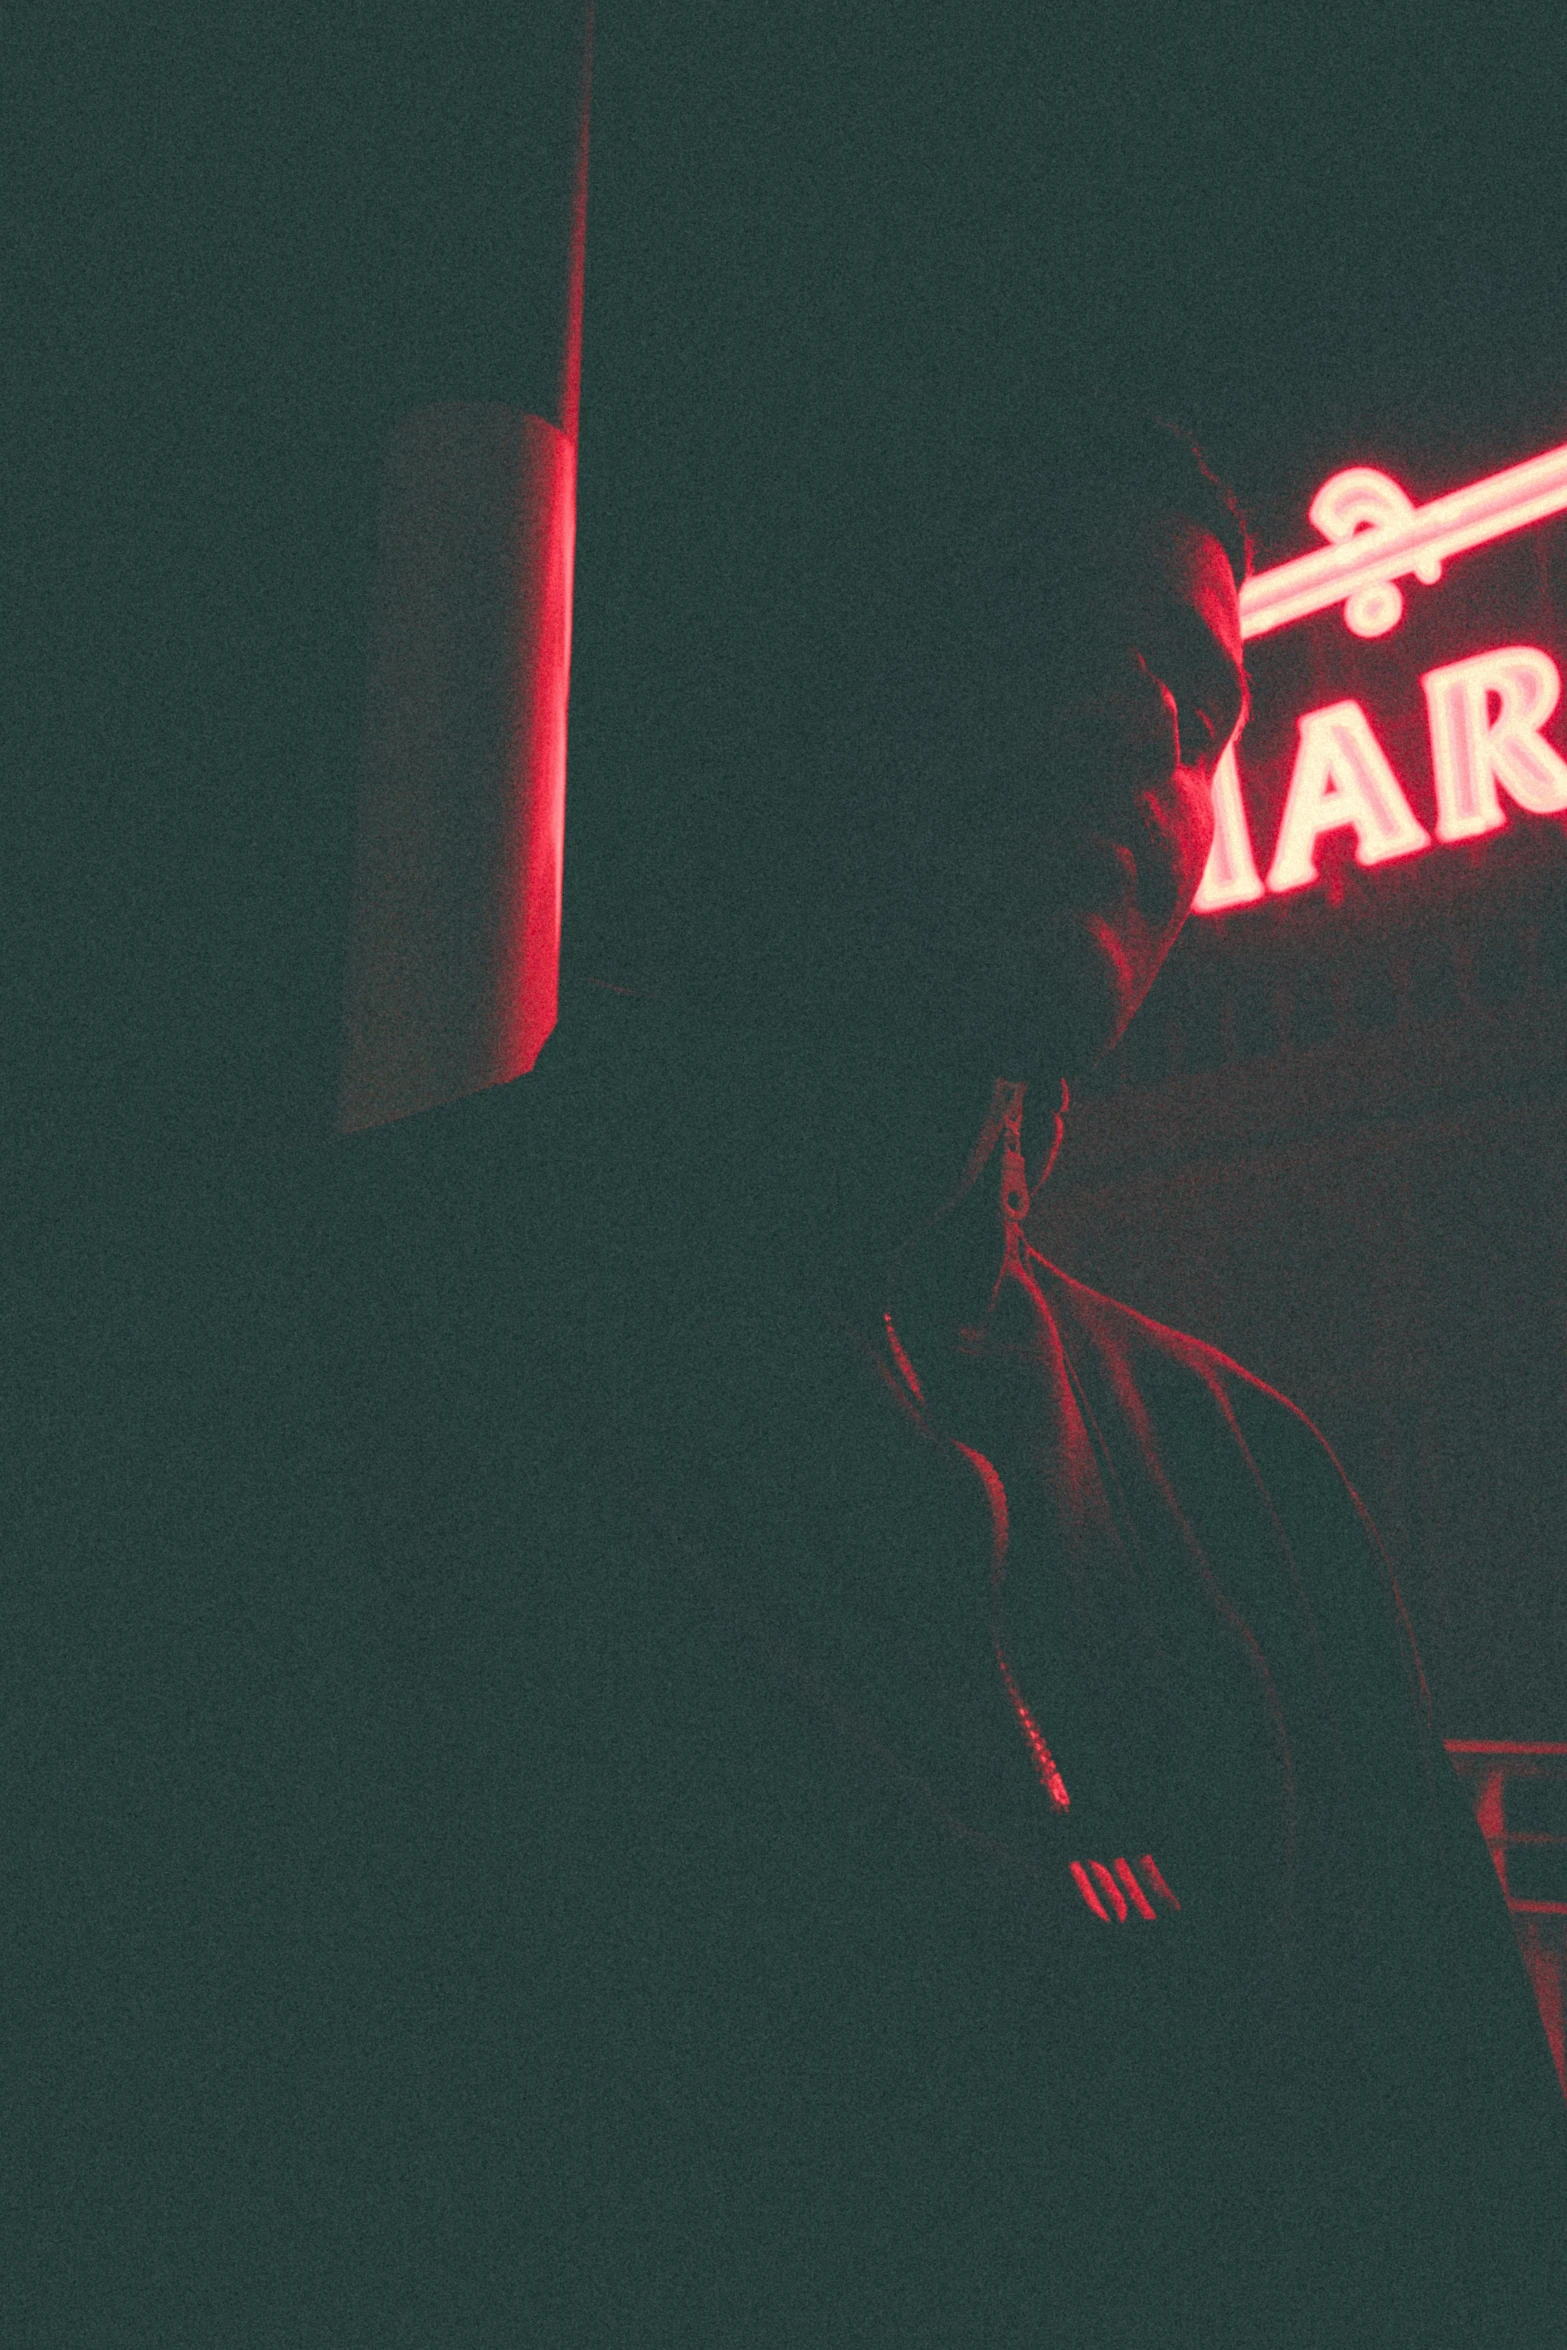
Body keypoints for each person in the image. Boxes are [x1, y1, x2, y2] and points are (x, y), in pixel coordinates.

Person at [12, 386, 1565, 2348]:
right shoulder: (284, 1370)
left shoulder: (1255, 1480)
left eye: (1202, 692)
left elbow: (1474, 2206)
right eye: (1036, 630)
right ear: (804, 677)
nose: (1142, 727)